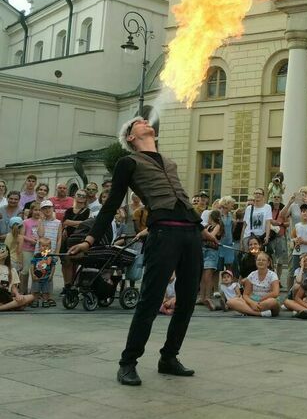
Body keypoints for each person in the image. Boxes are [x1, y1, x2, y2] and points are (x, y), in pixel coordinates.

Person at [68, 117, 218, 387]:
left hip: (190, 235)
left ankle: (169, 357)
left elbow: (182, 199)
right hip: (163, 234)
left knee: (186, 301)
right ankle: (128, 362)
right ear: (130, 138)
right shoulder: (129, 162)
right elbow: (112, 203)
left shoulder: (169, 161)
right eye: (139, 122)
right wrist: (90, 240)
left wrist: (201, 229)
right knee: (150, 300)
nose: (146, 121)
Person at [225, 251, 280, 317]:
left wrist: (260, 300)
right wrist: (252, 303)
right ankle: (259, 313)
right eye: (258, 260)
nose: (261, 261)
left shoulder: (273, 275)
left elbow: (275, 293)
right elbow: (245, 295)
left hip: (266, 301)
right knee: (230, 302)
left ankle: (246, 311)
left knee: (272, 302)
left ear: (268, 263)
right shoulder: (252, 275)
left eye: (263, 260)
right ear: (256, 262)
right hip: (253, 300)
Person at [59, 191, 90, 295]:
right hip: (67, 238)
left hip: (78, 239)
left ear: (86, 199)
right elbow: (65, 222)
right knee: (65, 261)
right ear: (75, 196)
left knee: (74, 263)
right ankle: (67, 285)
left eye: (83, 196)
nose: (81, 197)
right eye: (79, 195)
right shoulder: (69, 210)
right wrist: (79, 223)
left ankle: (72, 285)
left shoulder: (87, 211)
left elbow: (86, 224)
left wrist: (72, 223)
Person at [199, 210, 223, 310]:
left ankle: (208, 297)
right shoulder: (207, 226)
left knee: (208, 276)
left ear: (212, 217)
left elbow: (211, 236)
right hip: (203, 251)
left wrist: (204, 235)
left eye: (209, 216)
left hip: (212, 252)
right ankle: (202, 297)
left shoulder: (217, 226)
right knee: (202, 276)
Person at [288, 204, 307, 289]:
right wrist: (295, 240)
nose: (305, 213)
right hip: (296, 253)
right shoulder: (297, 226)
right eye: (303, 211)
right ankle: (295, 290)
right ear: (300, 214)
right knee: (296, 272)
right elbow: (292, 237)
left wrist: (304, 241)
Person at [0, 244, 35, 311]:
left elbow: (13, 286)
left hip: (6, 296)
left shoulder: (11, 270)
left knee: (31, 297)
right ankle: (12, 306)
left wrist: (17, 295)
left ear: (7, 253)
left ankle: (2, 307)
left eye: (3, 251)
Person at [30, 240, 58, 308]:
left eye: (47, 246)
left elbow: (53, 266)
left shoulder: (50, 257)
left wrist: (51, 275)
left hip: (46, 277)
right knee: (36, 290)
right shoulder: (36, 256)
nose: (45, 247)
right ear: (39, 247)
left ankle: (45, 301)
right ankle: (35, 301)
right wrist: (32, 274)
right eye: (43, 246)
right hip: (37, 277)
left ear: (50, 247)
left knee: (46, 290)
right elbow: (32, 266)